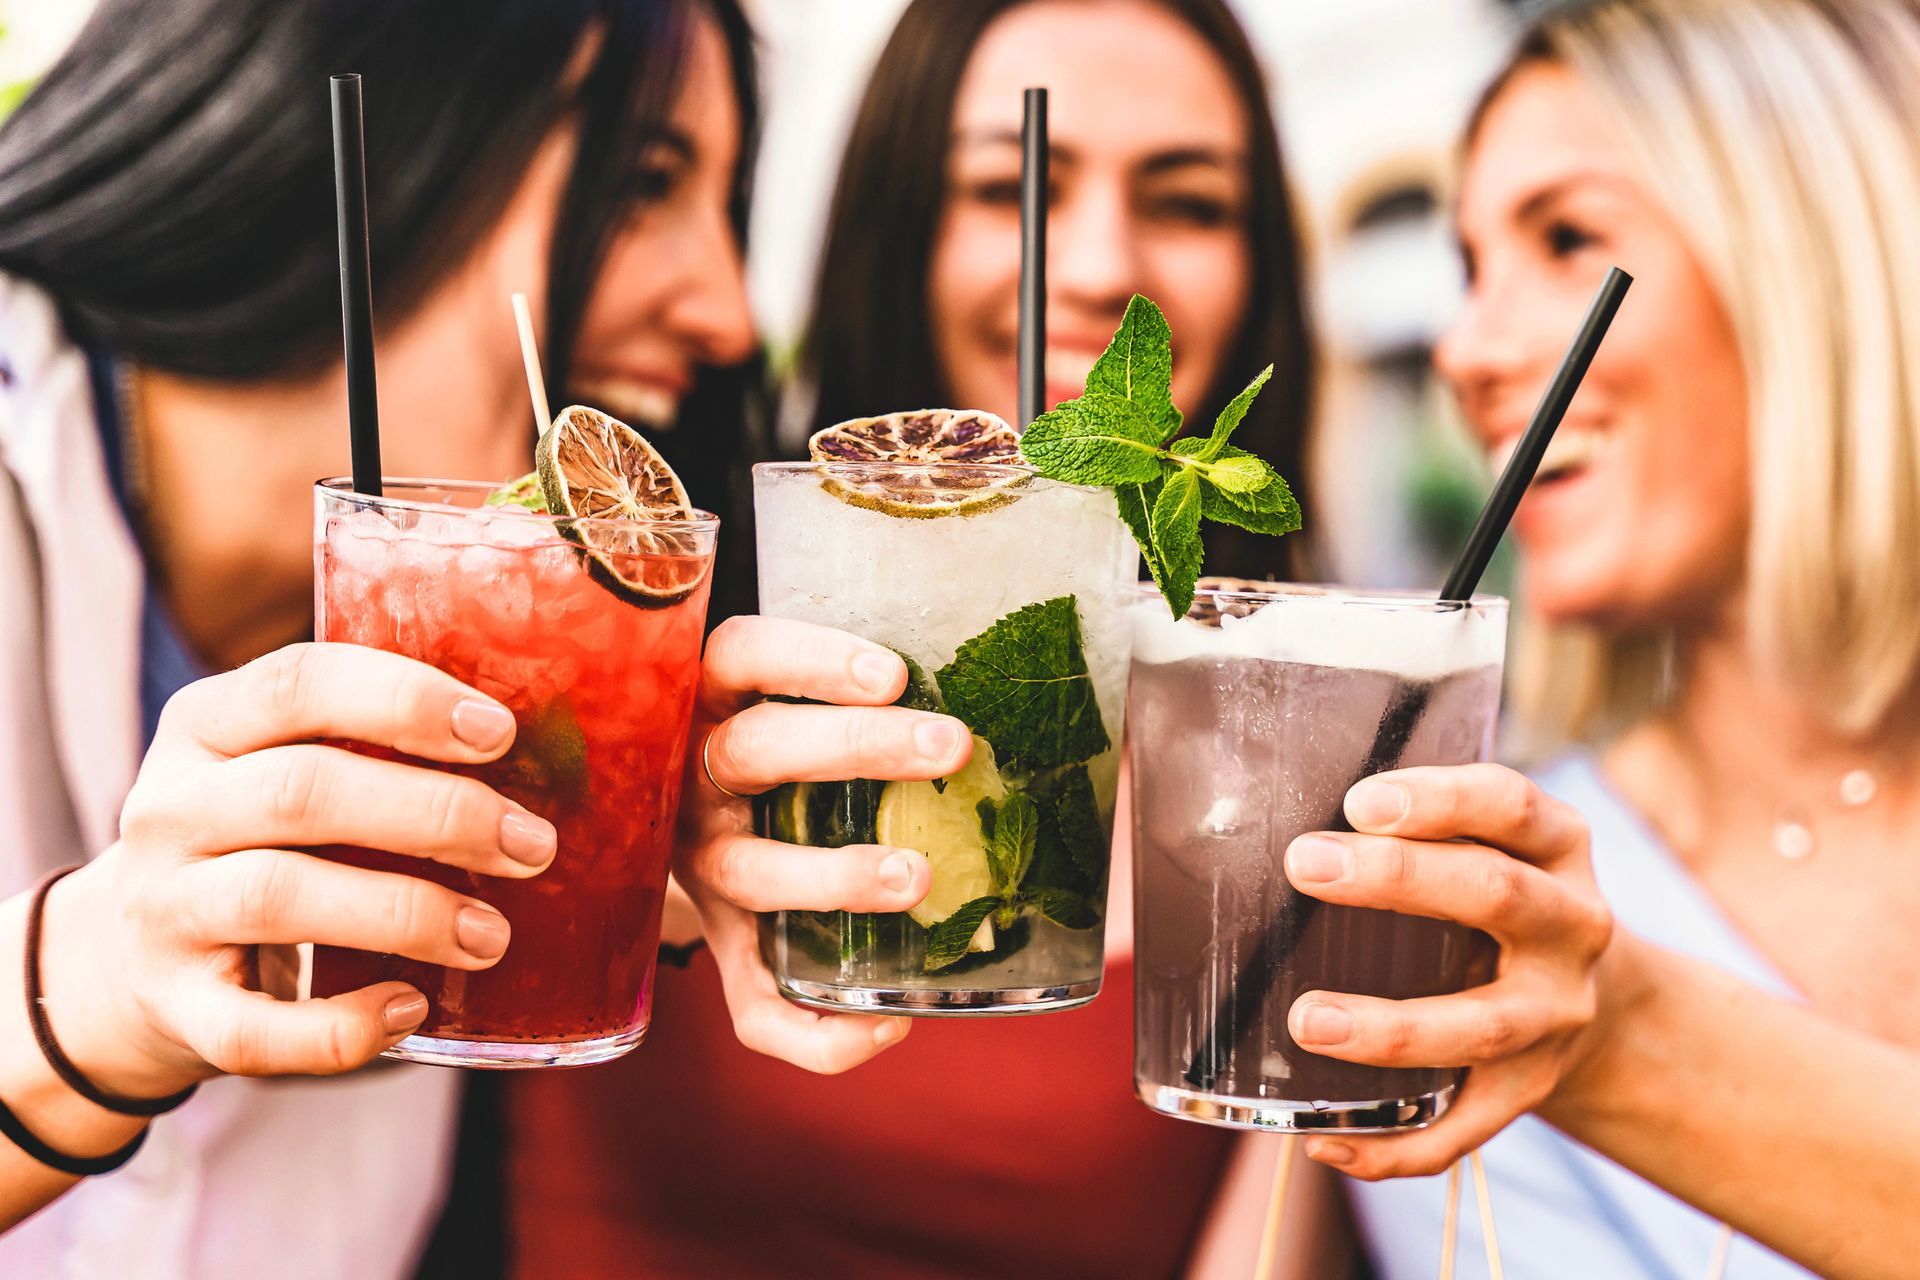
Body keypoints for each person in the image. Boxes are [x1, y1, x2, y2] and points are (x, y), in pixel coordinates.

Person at [0, 0, 948, 1270]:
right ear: (378, 132)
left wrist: (631, 815)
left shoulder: (449, 651)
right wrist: (96, 984)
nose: (726, 310)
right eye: (643, 183)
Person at [496, 2, 1348, 1276]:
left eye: (1189, 202)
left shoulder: (1309, 746)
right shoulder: (656, 610)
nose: (1104, 256)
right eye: (1013, 187)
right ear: (898, 227)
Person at [1299, 1, 1920, 1276]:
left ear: (1817, 262)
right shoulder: (1488, 909)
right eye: (1470, 269)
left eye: (1568, 237)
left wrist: (1619, 1038)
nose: (1465, 349)